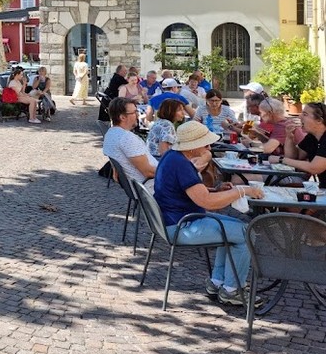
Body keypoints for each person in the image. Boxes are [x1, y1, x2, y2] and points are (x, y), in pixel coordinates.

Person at [153, 121, 264, 306]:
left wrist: (217, 189)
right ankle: (232, 289)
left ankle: (218, 282)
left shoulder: (172, 157)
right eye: (205, 143)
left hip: (177, 220)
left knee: (235, 229)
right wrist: (242, 191)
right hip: (182, 226)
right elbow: (207, 203)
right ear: (192, 146)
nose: (209, 147)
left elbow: (191, 191)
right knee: (247, 232)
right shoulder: (181, 164)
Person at [102, 97, 156, 183]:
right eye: (134, 112)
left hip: (142, 186)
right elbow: (149, 172)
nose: (138, 115)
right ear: (122, 117)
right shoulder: (127, 138)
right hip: (153, 186)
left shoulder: (110, 134)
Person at [277, 101, 326, 188]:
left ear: (319, 120)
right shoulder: (312, 137)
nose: (300, 117)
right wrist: (289, 137)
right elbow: (294, 156)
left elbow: (314, 168)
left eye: (305, 114)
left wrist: (281, 159)